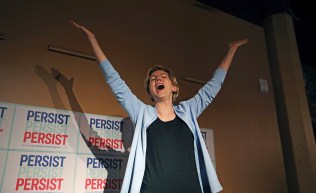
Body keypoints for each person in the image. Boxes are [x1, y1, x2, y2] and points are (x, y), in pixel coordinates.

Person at [71, 20, 248, 193]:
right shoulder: (142, 113)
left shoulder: (189, 110)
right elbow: (115, 82)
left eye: (163, 76)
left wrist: (231, 50)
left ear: (175, 87)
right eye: (153, 79)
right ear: (150, 91)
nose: (158, 79)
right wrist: (92, 39)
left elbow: (213, 86)